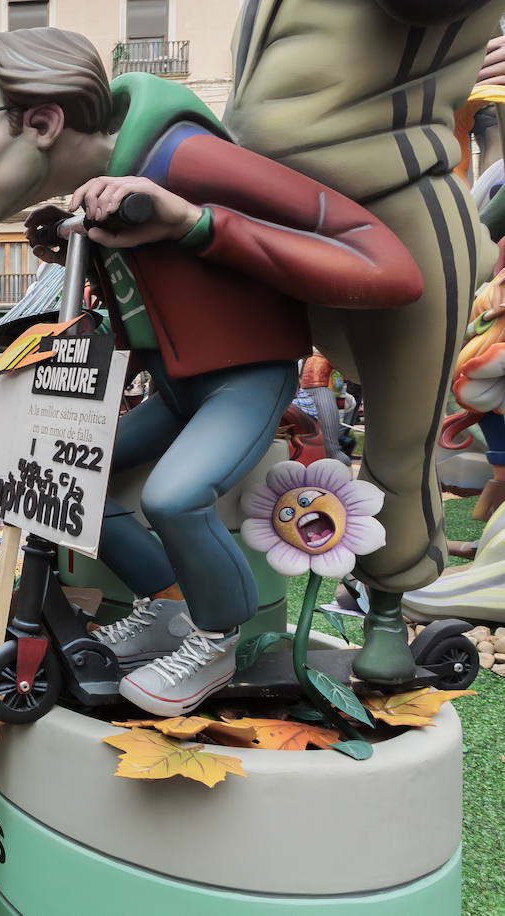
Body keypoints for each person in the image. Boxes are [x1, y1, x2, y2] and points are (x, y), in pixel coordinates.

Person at [0, 28, 420, 714]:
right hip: (176, 386)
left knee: (175, 496)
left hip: (244, 379)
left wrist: (193, 221)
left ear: (41, 122)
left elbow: (389, 269)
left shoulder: (184, 158)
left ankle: (217, 636)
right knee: (81, 482)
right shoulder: (101, 190)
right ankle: (165, 602)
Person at [224, 2, 502, 685]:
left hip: (397, 209)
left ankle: (386, 613)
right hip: (259, 216)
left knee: (400, 445)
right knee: (221, 408)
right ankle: (222, 615)